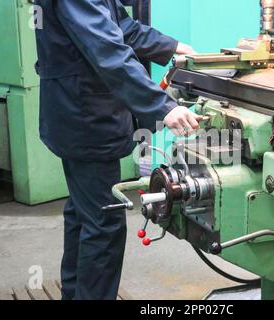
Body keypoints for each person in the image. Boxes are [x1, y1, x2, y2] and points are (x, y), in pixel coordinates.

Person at [34, 0, 201, 300]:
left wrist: (173, 46)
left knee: (82, 215)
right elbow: (106, 48)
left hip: (76, 112)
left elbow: (121, 26)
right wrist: (162, 106)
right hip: (86, 116)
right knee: (103, 225)